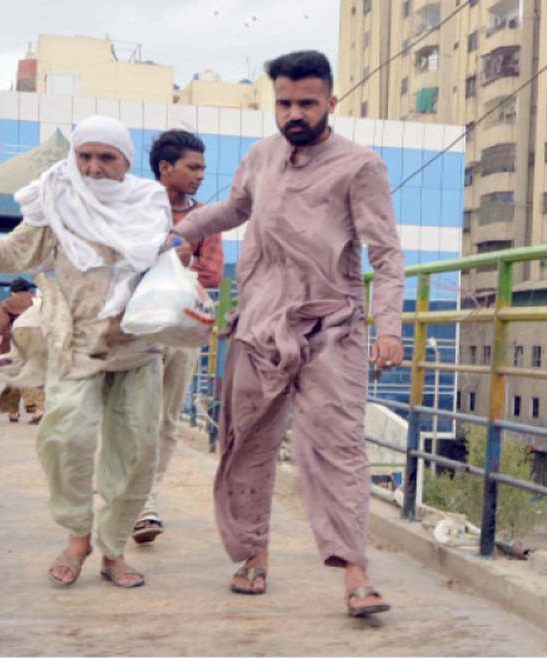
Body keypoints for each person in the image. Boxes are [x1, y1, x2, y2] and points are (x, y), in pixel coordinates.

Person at [166, 50, 405, 617]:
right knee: (246, 441)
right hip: (258, 324)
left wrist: (389, 327)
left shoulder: (360, 166)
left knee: (336, 447)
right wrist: (178, 233)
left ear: (330, 102)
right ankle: (253, 555)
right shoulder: (261, 156)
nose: (294, 113)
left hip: (332, 327)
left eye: (306, 102)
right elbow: (233, 209)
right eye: (284, 103)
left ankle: (356, 574)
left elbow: (387, 254)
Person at [0, 115, 172, 588]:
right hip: (77, 341)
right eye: (85, 156)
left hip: (138, 345)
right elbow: (16, 251)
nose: (94, 167)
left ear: (125, 161)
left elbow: (165, 262)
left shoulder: (149, 202)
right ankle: (77, 534)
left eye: (107, 157)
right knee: (63, 436)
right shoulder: (57, 198)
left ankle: (113, 549)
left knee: (137, 450)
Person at [132, 130, 224, 544]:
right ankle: (130, 498)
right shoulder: (134, 209)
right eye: (193, 167)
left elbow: (213, 273)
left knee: (167, 419)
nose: (200, 175)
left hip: (182, 330)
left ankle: (147, 501)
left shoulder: (206, 218)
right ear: (165, 168)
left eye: (203, 167)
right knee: (133, 417)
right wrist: (165, 256)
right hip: (134, 327)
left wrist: (181, 264)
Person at [0, 277, 45, 424]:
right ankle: (12, 411)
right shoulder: (39, 300)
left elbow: (1, 326)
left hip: (21, 336)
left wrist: (0, 346)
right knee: (18, 373)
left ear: (12, 291)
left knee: (21, 372)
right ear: (28, 289)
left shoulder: (8, 303)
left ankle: (37, 409)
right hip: (41, 337)